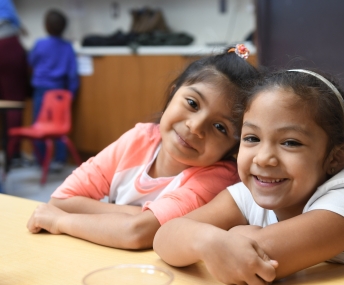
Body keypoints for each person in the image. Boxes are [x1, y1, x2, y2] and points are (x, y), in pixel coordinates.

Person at [153, 69, 344, 284]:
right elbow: (165, 237)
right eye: (251, 138)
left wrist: (233, 236)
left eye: (290, 143)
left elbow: (254, 263)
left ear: (335, 157)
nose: (263, 158)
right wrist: (208, 241)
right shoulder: (248, 193)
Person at [26, 44, 259, 250]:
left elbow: (137, 233)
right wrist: (141, 216)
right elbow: (61, 200)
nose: (195, 127)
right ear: (173, 93)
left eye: (220, 127)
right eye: (192, 103)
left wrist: (60, 222)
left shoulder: (220, 178)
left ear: (234, 146)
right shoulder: (140, 138)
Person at [28, 9, 79, 170]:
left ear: (46, 26)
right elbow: (72, 73)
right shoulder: (68, 47)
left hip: (41, 89)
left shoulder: (40, 44)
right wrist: (72, 93)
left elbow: (31, 61)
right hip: (60, 92)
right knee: (59, 126)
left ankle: (40, 159)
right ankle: (60, 159)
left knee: (39, 124)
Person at [0, 0, 31, 160]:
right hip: (7, 44)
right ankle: (14, 154)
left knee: (4, 103)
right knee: (14, 103)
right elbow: (11, 17)